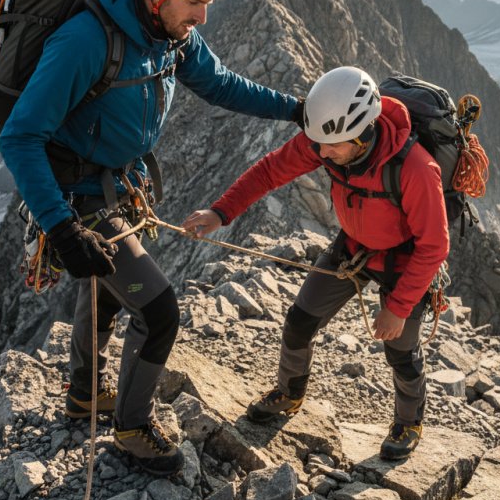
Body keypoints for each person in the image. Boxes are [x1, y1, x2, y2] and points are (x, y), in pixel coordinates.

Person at [0, 0, 303, 476]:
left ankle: (85, 395)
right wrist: (62, 228)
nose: (202, 16)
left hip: (119, 185)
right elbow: (20, 137)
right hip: (78, 195)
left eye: (207, 4)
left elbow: (221, 83)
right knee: (160, 311)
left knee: (109, 291)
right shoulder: (86, 40)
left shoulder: (170, 33)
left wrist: (296, 110)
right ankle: (133, 429)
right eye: (195, 1)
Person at [182, 66, 449, 460]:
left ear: (362, 135)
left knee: (401, 349)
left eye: (332, 147)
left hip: (405, 260)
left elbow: (434, 246)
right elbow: (270, 171)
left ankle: (408, 422)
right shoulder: (328, 138)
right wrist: (221, 213)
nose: (322, 154)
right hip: (354, 246)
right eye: (319, 144)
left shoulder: (417, 169)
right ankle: (289, 394)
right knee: (300, 320)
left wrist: (397, 307)